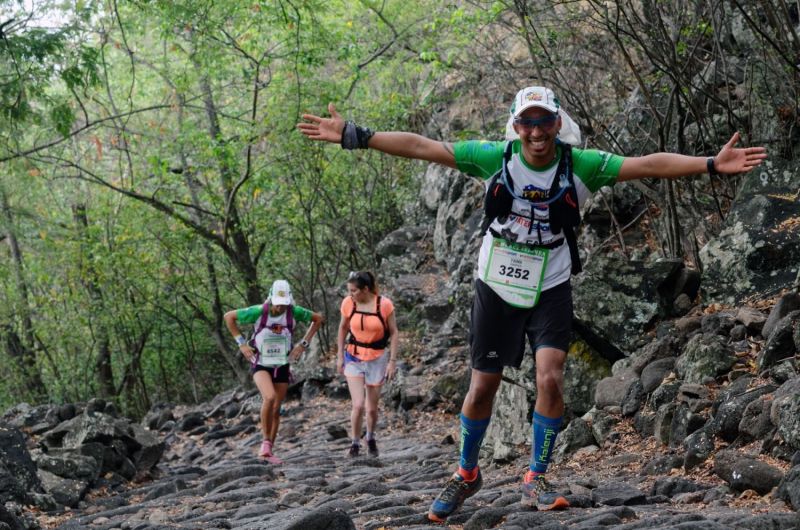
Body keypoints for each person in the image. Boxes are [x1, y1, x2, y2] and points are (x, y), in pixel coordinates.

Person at [298, 86, 766, 521]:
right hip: (496, 285)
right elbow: (425, 147)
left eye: (545, 122)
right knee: (482, 388)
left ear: (558, 123)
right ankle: (466, 473)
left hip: (550, 283)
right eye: (528, 123)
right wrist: (357, 136)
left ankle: (535, 476)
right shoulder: (493, 158)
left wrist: (709, 163)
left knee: (551, 375)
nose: (537, 132)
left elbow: (645, 164)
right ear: (515, 126)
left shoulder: (580, 164)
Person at [224, 279, 323, 464]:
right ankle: (264, 443)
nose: (280, 308)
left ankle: (269, 449)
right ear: (270, 299)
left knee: (276, 408)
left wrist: (303, 344)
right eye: (277, 304)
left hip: (282, 363)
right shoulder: (258, 311)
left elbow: (317, 319)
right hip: (260, 361)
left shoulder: (295, 312)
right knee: (268, 397)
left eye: (284, 305)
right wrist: (242, 344)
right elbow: (229, 317)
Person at [337, 271, 399, 458]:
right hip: (354, 357)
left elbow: (394, 333)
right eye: (349, 291)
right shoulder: (348, 303)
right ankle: (355, 443)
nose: (350, 294)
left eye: (353, 291)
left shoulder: (384, 305)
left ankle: (370, 437)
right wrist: (339, 355)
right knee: (358, 405)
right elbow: (342, 328)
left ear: (365, 289)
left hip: (377, 358)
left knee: (371, 408)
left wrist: (392, 362)